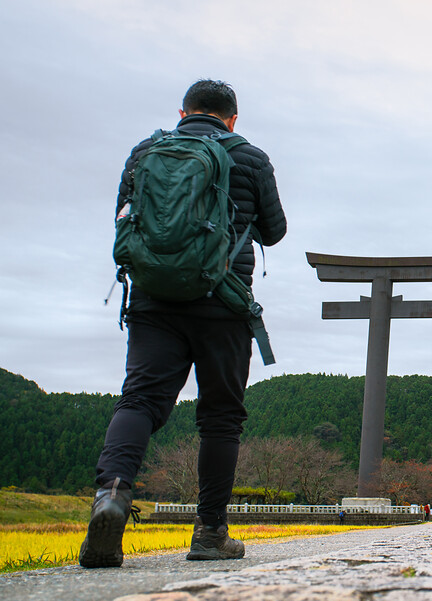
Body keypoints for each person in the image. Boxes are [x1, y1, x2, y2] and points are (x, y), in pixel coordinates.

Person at [79, 79, 287, 568]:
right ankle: (210, 533)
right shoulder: (250, 157)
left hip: (156, 301)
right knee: (220, 418)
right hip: (225, 303)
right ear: (232, 118)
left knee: (141, 400)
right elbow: (275, 232)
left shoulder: (146, 151)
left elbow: (123, 217)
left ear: (182, 112)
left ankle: (111, 495)